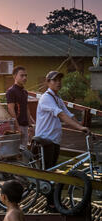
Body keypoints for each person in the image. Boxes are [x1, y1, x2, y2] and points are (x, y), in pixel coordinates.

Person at [35, 71, 90, 210]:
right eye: (54, 80)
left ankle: (52, 202)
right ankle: (51, 203)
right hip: (45, 140)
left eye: (59, 80)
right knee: (49, 173)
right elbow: (62, 116)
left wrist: (83, 126)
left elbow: (69, 115)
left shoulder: (57, 98)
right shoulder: (46, 98)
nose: (58, 82)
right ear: (48, 82)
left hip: (54, 140)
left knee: (52, 171)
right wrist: (79, 127)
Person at [6, 66, 35, 147]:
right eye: (22, 75)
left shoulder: (24, 92)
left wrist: (30, 125)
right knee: (16, 150)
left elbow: (26, 108)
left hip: (25, 125)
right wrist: (17, 127)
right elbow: (11, 109)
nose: (25, 78)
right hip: (17, 125)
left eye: (26, 75)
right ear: (15, 76)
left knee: (24, 149)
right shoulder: (11, 91)